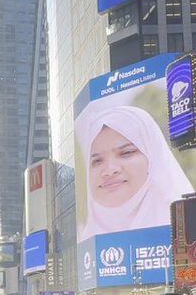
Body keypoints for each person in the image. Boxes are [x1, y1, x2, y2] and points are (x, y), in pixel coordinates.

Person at [77, 102, 192, 242]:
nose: (110, 170)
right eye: (96, 161)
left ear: (152, 156)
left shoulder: (186, 225)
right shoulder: (85, 240)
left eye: (126, 153)